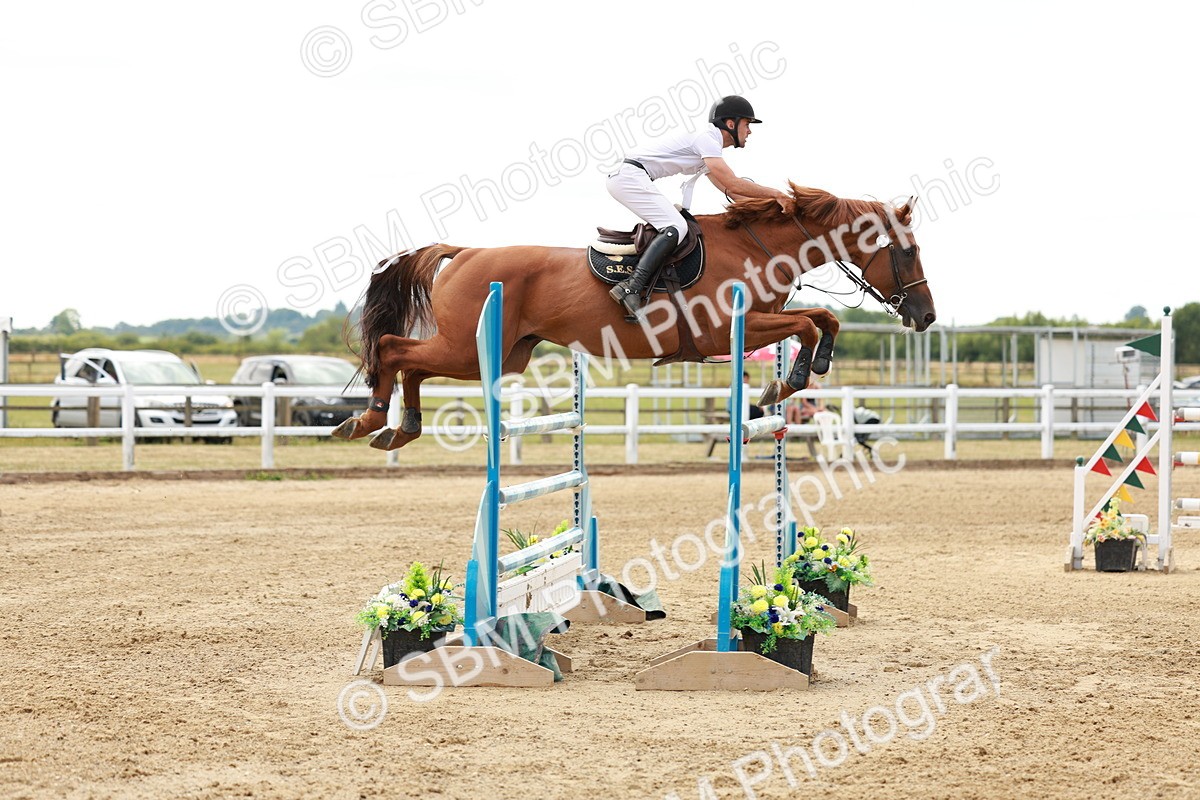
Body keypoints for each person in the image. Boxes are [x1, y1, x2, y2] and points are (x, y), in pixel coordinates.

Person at [606, 95, 793, 320]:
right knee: (677, 226)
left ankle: (636, 285)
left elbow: (730, 191)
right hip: (629, 177)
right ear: (731, 124)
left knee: (677, 225)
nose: (750, 131)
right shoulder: (707, 138)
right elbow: (733, 182)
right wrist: (777, 194)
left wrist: (770, 211)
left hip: (632, 177)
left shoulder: (709, 148)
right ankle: (631, 287)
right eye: (747, 124)